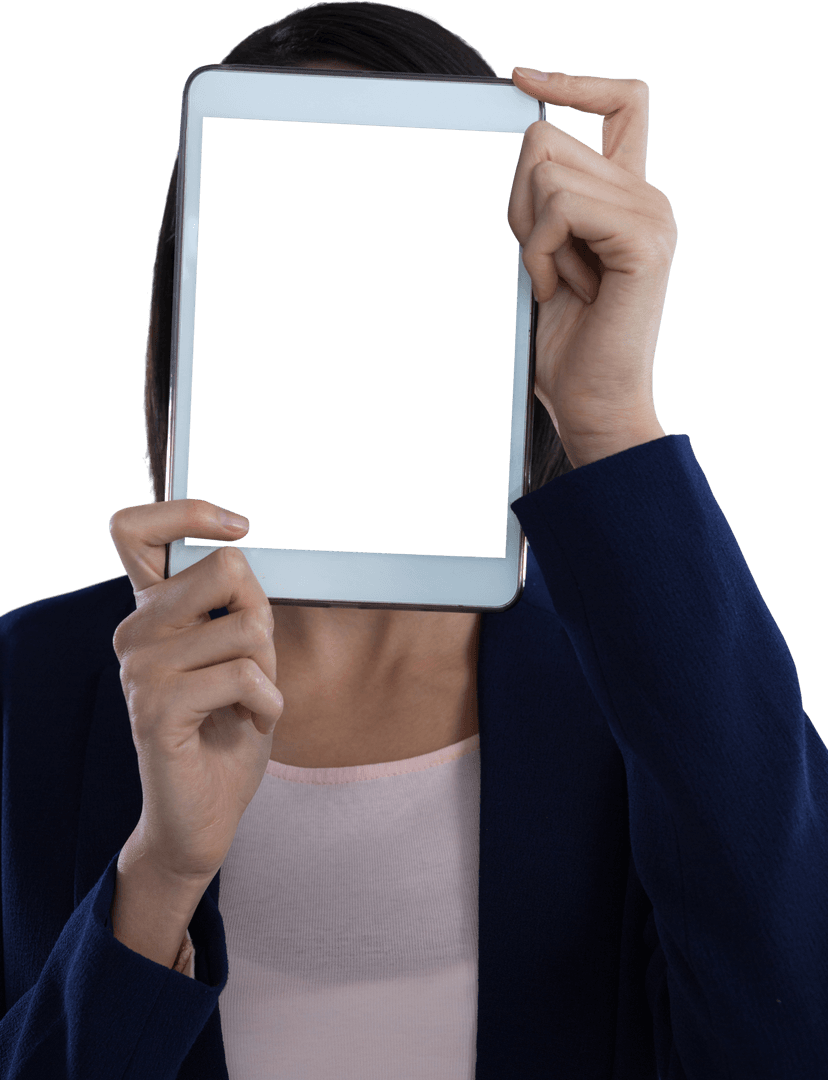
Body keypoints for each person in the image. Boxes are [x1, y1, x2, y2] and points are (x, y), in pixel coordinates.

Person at [1, 3, 826, 1079]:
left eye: (408, 241)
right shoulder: (36, 686)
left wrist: (613, 416)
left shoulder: (644, 686)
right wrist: (158, 878)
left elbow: (792, 1019)